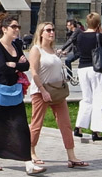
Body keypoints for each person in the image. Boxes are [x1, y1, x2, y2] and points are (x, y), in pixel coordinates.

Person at [0, 15, 44, 175]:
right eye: (14, 27)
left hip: (14, 90)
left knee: (21, 126)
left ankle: (28, 163)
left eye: (18, 27)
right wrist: (16, 65)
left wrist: (15, 65)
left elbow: (26, 65)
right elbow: (1, 68)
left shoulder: (16, 45)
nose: (17, 29)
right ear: (4, 29)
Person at [28, 22, 88, 168]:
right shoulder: (36, 50)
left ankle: (71, 156)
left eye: (53, 30)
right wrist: (43, 90)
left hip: (57, 92)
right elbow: (34, 72)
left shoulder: (53, 50)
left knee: (65, 124)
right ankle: (31, 152)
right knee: (37, 124)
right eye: (48, 30)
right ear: (41, 33)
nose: (51, 32)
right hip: (41, 92)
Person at [74, 12, 102, 142]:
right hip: (96, 68)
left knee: (86, 98)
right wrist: (101, 35)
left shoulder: (80, 36)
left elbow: (78, 51)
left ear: (86, 23)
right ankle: (96, 131)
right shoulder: (98, 36)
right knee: (99, 98)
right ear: (98, 24)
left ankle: (79, 127)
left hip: (82, 68)